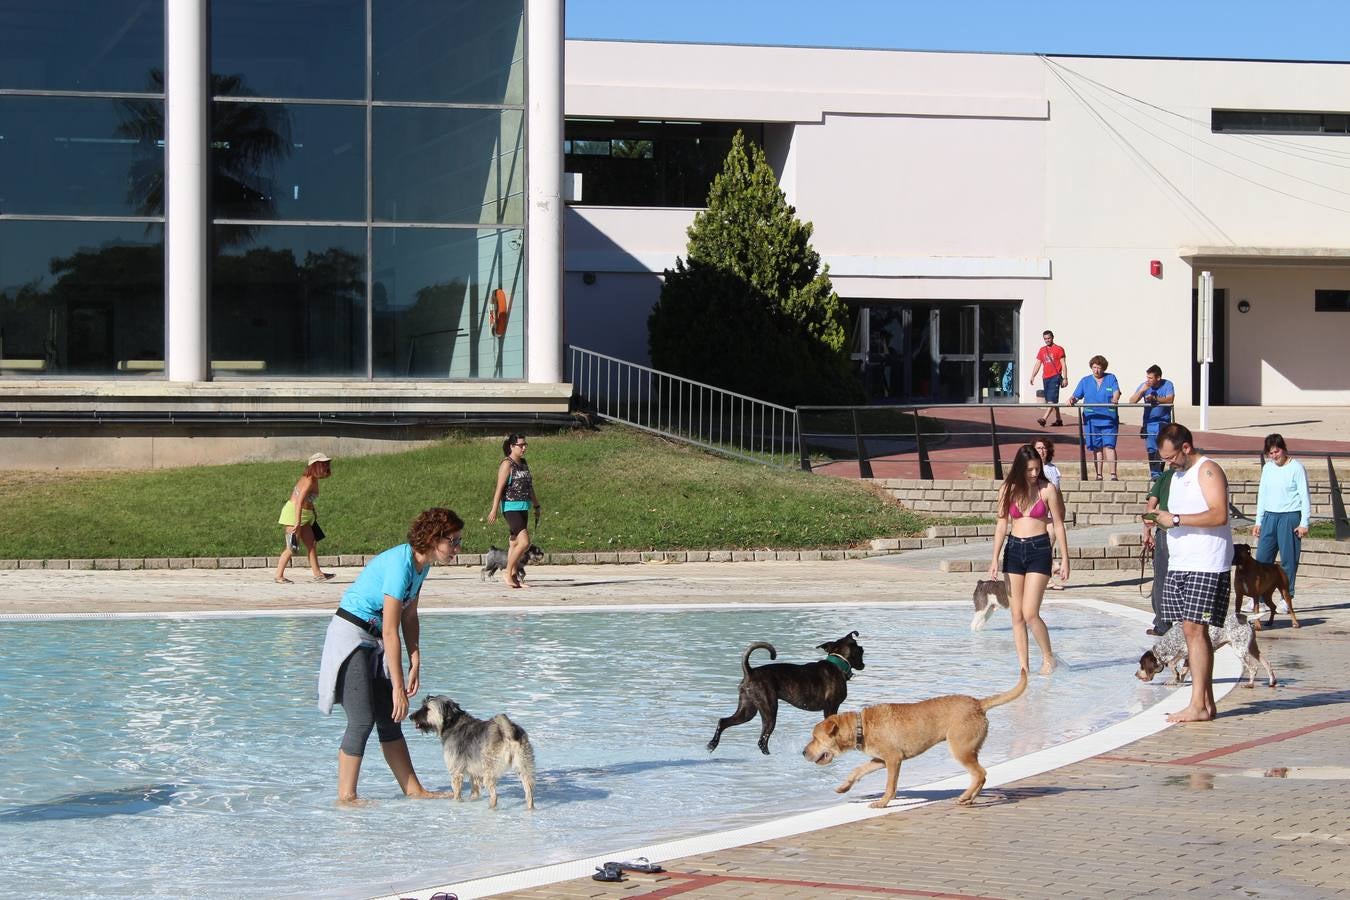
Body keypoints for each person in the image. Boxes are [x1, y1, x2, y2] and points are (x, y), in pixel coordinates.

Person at [316, 507, 464, 803]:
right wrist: (397, 686)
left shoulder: (422, 566)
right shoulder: (400, 565)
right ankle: (346, 797)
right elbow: (389, 630)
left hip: (373, 638)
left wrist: (416, 658)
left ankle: (414, 790)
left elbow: (409, 618)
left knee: (389, 718)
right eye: (454, 540)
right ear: (434, 538)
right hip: (351, 635)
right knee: (362, 718)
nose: (458, 548)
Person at [1150, 423, 1234, 724]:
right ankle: (1206, 703)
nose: (1167, 463)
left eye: (1171, 457)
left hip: (1206, 561)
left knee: (1195, 631)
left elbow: (1219, 513)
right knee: (1189, 631)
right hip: (1182, 561)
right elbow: (1178, 518)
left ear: (1186, 447)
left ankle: (1198, 704)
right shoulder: (1177, 475)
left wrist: (1174, 518)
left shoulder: (1208, 470)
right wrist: (1159, 520)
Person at [988, 444, 1070, 675]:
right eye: (1029, 470)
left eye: (1037, 469)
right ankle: (1023, 666)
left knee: (1030, 613)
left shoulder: (1047, 490)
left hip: (1039, 550)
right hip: (1013, 550)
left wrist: (1065, 558)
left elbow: (1058, 524)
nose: (1034, 474)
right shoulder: (1007, 489)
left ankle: (1048, 657)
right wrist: (994, 559)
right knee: (1016, 615)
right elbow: (1001, 524)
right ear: (1019, 469)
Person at [1253, 433, 1310, 613]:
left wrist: (1304, 522)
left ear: (1283, 449)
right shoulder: (1268, 469)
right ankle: (1260, 598)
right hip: (1270, 516)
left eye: (1276, 451)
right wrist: (1258, 521)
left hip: (1289, 516)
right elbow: (1262, 495)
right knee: (1262, 559)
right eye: (1270, 453)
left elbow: (1304, 496)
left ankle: (1287, 597)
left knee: (1288, 560)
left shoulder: (1296, 468)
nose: (1274, 456)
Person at [487, 433, 540, 589]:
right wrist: (494, 510)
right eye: (520, 445)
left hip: (524, 507)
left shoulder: (523, 463)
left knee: (514, 543)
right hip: (511, 508)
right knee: (524, 542)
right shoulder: (506, 464)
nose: (524, 448)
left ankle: (514, 577)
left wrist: (536, 506)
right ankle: (507, 572)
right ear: (512, 446)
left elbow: (530, 487)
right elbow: (499, 489)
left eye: (525, 445)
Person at [274, 451, 335, 584]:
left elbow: (307, 500)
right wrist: (297, 522)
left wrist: (312, 511)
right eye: (323, 464)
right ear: (315, 466)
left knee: (311, 543)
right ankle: (278, 576)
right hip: (294, 515)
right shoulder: (309, 481)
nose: (326, 467)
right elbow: (299, 501)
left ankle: (318, 574)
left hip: (304, 516)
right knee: (292, 547)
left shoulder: (312, 478)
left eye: (327, 464)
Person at [1068, 355, 1122, 480]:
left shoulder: (1111, 378)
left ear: (1104, 368)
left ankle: (1113, 475)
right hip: (1091, 418)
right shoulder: (1085, 381)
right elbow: (1077, 395)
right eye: (1094, 367)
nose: (1096, 370)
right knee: (1096, 447)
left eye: (1099, 368)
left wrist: (1115, 398)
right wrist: (1072, 399)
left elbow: (1116, 391)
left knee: (1109, 446)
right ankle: (1099, 475)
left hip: (1109, 419)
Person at [1141, 459, 1174, 636]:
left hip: (1166, 532)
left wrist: (1147, 532)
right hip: (1187, 532)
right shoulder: (1194, 478)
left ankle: (1162, 623)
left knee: (1161, 577)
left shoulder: (1164, 477)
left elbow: (1150, 508)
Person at [1129, 365, 1176, 481]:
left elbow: (1170, 399)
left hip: (1163, 421)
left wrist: (1156, 399)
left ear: (1158, 378)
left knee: (1161, 447)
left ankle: (1159, 473)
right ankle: (1155, 474)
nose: (1148, 380)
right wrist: (1142, 391)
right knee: (1151, 448)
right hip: (1149, 423)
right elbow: (1132, 401)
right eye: (1147, 377)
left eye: (1150, 378)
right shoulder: (1145, 385)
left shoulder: (1168, 384)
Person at [1033, 438, 1066, 591]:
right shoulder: (1030, 469)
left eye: (1044, 448)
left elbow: (1058, 494)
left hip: (1050, 515)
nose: (1042, 451)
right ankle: (1046, 574)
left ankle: (1047, 576)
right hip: (1035, 515)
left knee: (1047, 546)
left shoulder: (1053, 469)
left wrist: (1061, 511)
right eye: (1039, 448)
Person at [1028, 330, 1067, 427]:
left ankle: (1044, 418)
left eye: (1049, 338)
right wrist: (1033, 375)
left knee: (1051, 401)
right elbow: (1038, 363)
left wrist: (1065, 378)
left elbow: (1063, 364)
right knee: (1052, 400)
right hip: (1045, 377)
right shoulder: (1042, 350)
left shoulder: (1059, 349)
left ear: (1052, 337)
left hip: (1055, 377)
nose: (1047, 340)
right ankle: (1059, 420)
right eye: (1045, 339)